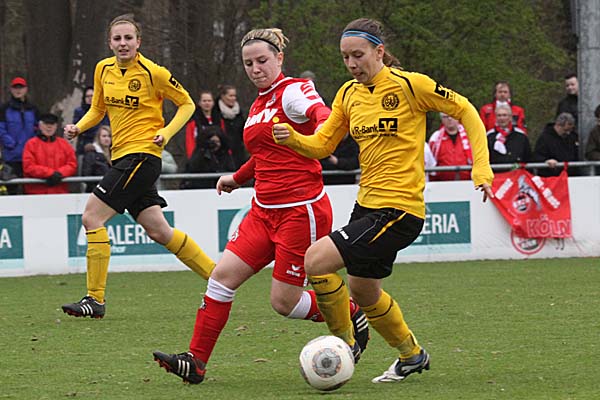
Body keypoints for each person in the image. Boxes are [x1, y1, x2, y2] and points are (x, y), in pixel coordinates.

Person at [273, 17, 494, 383]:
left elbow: (466, 110)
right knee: (363, 290)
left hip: (399, 210)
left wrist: (481, 168)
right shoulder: (348, 94)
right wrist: (293, 139)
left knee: (316, 260)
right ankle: (412, 354)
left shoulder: (411, 85)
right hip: (368, 206)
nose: (351, 64)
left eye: (358, 55)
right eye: (345, 57)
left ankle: (345, 345)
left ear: (379, 51)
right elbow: (323, 145)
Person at [153, 27, 370, 385]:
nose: (255, 69)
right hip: (262, 211)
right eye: (249, 63)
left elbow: (324, 118)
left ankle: (349, 312)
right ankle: (195, 361)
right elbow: (264, 155)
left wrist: (312, 136)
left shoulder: (294, 91)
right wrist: (236, 178)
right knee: (221, 279)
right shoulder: (258, 104)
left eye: (262, 61)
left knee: (284, 303)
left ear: (279, 58)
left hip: (300, 211)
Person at [60, 13, 215, 319]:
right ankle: (219, 278)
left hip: (142, 156)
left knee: (92, 217)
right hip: (123, 157)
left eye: (128, 38)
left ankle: (95, 299)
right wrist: (79, 127)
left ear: (138, 41)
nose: (123, 43)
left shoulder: (153, 72)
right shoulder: (103, 69)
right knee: (158, 230)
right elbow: (98, 109)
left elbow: (187, 104)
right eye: (117, 38)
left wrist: (167, 133)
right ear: (110, 42)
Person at [0, 77, 40, 194]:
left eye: (21, 87)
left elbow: (38, 127)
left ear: (26, 89)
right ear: (11, 90)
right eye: (15, 87)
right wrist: (11, 144)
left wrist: (33, 145)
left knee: (31, 188)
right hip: (11, 156)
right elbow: (1, 129)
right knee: (12, 189)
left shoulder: (33, 108)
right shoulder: (4, 109)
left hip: (31, 157)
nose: (18, 90)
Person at [22, 113, 77, 194]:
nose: (49, 127)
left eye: (52, 124)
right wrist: (50, 173)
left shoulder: (64, 144)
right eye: (46, 124)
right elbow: (28, 166)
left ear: (56, 126)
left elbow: (72, 164)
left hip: (60, 193)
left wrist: (59, 173)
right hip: (36, 193)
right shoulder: (31, 144)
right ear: (40, 125)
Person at [428, 113, 472, 181]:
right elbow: (430, 162)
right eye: (446, 117)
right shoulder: (435, 138)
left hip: (468, 182)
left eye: (453, 116)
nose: (450, 119)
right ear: (441, 119)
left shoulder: (470, 136)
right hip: (442, 183)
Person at [534, 112, 578, 177]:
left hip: (570, 176)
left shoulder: (572, 137)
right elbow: (537, 156)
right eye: (565, 130)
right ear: (558, 125)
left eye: (570, 130)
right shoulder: (545, 138)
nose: (568, 133)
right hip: (551, 177)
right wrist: (546, 161)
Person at [217, 84, 248, 169]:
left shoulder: (239, 113)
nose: (233, 98)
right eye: (230, 96)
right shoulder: (216, 113)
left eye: (234, 96)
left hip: (238, 153)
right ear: (223, 96)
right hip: (222, 154)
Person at [73, 86, 110, 156]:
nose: (90, 98)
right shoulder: (79, 111)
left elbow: (106, 127)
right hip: (84, 143)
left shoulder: (103, 111)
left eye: (92, 96)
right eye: (87, 96)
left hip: (101, 143)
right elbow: (77, 128)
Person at [81, 125, 111, 192]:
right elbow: (86, 175)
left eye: (109, 136)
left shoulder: (114, 153)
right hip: (95, 191)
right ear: (98, 138)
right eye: (104, 136)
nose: (107, 138)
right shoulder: (91, 154)